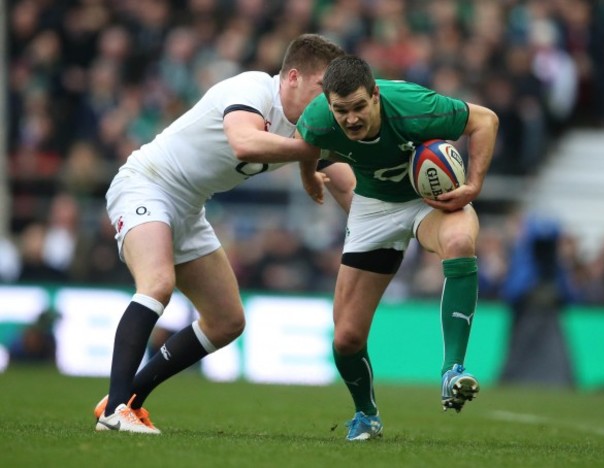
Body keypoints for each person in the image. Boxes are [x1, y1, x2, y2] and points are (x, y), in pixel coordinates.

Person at [93, 34, 353, 434]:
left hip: (190, 206)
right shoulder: (250, 88)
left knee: (226, 321)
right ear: (294, 77)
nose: (327, 102)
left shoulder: (309, 126)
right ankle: (114, 415)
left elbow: (347, 185)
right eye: (322, 89)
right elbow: (245, 142)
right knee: (157, 284)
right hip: (146, 185)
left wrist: (388, 227)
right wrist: (310, 153)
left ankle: (125, 399)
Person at [297, 55, 499, 441]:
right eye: (342, 111)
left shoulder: (414, 107)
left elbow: (485, 120)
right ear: (329, 104)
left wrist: (473, 186)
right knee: (346, 339)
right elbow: (304, 146)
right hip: (373, 208)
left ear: (375, 95)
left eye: (359, 107)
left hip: (430, 201)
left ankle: (452, 370)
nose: (352, 118)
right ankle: (366, 414)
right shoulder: (318, 117)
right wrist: (310, 177)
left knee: (459, 241)